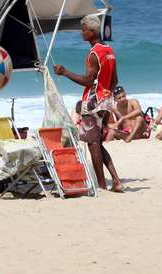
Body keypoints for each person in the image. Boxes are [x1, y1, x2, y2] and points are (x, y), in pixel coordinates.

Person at [53, 15, 124, 192]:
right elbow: (115, 80)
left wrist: (65, 72)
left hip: (93, 101)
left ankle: (102, 186)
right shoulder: (109, 50)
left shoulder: (94, 54)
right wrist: (106, 95)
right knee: (97, 142)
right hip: (106, 100)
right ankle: (116, 181)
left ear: (92, 31)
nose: (81, 33)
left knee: (93, 144)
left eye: (83, 29)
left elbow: (87, 81)